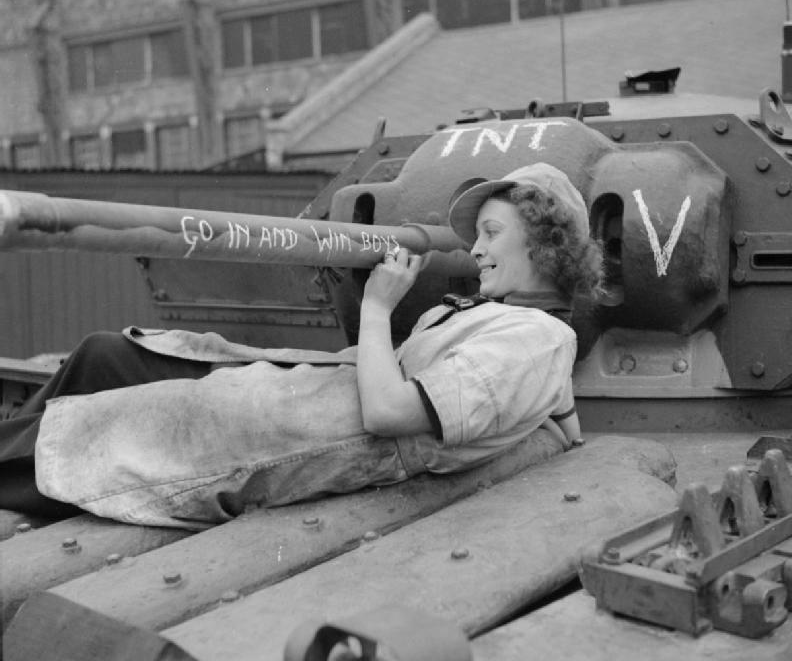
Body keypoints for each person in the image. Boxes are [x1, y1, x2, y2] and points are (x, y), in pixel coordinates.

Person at [0, 163, 603, 529]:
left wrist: (376, 307)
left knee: (74, 439)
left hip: (299, 428)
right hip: (306, 386)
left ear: (547, 245)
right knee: (106, 355)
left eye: (492, 233)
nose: (474, 250)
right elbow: (562, 417)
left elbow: (389, 413)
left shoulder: (536, 340)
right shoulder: (522, 330)